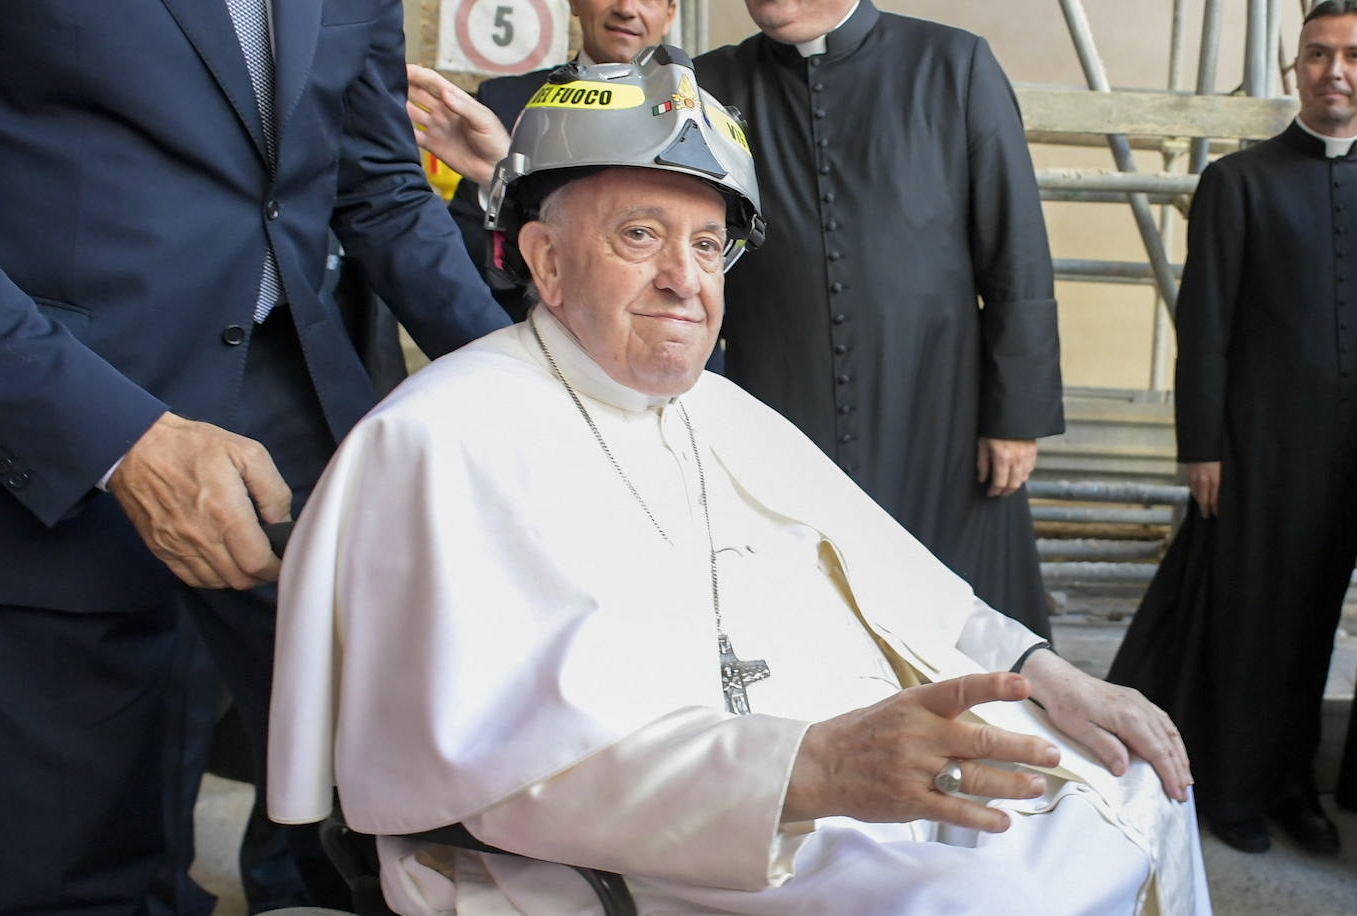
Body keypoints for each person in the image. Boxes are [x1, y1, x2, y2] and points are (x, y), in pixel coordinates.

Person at [269, 49, 1208, 916]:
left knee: (1131, 776)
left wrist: (1050, 673)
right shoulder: (436, 440)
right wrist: (811, 769)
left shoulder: (719, 409)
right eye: (641, 235)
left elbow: (910, 588)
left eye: (709, 246)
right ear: (547, 262)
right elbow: (488, 766)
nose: (685, 280)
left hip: (822, 775)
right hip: (629, 853)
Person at [0, 2, 509, 914]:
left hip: (296, 404)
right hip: (65, 413)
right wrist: (112, 437)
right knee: (81, 841)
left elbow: (383, 193)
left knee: (377, 801)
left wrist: (530, 389)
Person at [403, 0, 1062, 638]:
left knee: (968, 630)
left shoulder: (951, 64)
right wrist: (503, 173)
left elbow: (1016, 249)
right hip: (774, 400)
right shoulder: (702, 83)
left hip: (935, 403)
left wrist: (1016, 415)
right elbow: (609, 231)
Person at [1109, 0, 1357, 857]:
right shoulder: (1240, 180)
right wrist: (1202, 448)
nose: (1336, 71)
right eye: (1319, 54)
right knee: (1248, 621)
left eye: (1356, 56)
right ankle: (1230, 787)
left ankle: (1293, 784)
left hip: (1351, 459)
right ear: (1297, 68)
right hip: (1255, 450)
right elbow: (1207, 324)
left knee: (1316, 622)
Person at [407, 0, 677, 322]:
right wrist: (503, 182)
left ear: (670, 14)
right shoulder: (502, 103)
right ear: (574, 4)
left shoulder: (703, 114)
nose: (627, 8)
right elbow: (463, 259)